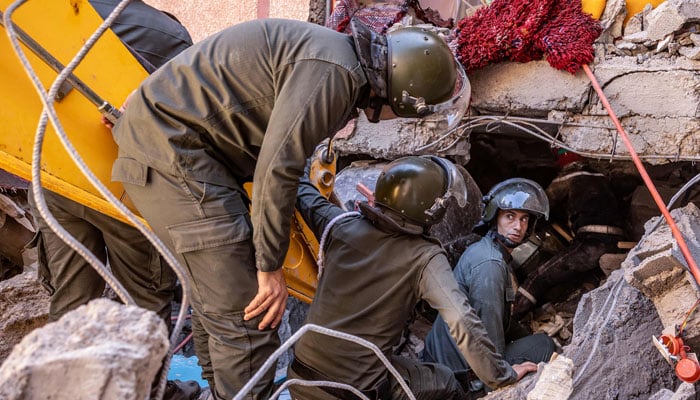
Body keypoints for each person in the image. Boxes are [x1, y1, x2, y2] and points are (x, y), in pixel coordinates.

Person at [109, 17, 470, 400]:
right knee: (250, 313)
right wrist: (270, 267)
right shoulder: (336, 76)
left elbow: (282, 163)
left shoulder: (334, 58)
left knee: (219, 305)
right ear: (405, 95)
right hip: (177, 156)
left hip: (178, 149)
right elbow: (277, 169)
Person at [27, 1, 197, 399]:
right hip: (129, 189)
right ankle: (146, 391)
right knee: (142, 306)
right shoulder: (166, 33)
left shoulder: (40, 16)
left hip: (56, 179)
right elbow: (186, 122)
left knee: (71, 305)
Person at [286, 156, 536, 400]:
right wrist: (503, 377)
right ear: (432, 210)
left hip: (300, 374)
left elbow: (303, 193)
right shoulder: (425, 257)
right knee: (446, 381)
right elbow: (462, 320)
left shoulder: (341, 225)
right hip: (352, 390)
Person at [423, 178, 556, 398]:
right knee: (543, 345)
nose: (518, 226)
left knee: (533, 339)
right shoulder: (490, 266)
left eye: (524, 219)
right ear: (495, 217)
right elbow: (488, 328)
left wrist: (524, 334)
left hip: (439, 358)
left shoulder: (485, 250)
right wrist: (501, 380)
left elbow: (500, 318)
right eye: (510, 216)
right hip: (458, 377)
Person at [512, 155, 626, 319]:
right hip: (618, 241)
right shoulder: (600, 176)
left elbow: (544, 204)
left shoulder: (570, 176)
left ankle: (512, 317)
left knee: (538, 278)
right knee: (585, 277)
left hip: (592, 241)